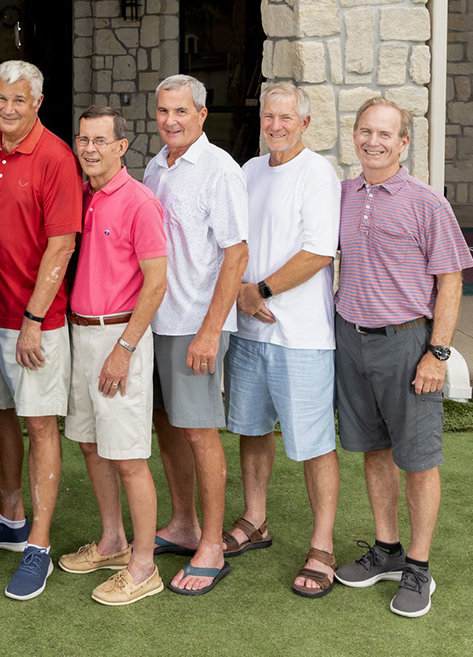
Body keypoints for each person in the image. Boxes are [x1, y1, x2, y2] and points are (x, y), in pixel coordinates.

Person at [332, 97, 472, 618]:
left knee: (417, 458)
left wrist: (436, 353)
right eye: (365, 131)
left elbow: (452, 278)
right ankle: (386, 551)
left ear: (403, 142)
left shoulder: (426, 203)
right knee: (372, 447)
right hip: (351, 338)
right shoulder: (344, 194)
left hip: (408, 342)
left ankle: (418, 567)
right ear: (355, 135)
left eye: (385, 134)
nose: (373, 141)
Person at [0, 60, 82, 601]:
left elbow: (61, 245)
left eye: (19, 100)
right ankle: (11, 516)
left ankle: (38, 544)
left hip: (35, 322)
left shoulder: (57, 157)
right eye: (1, 99)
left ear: (37, 101)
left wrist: (35, 320)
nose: (8, 109)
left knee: (40, 427)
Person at [225, 82, 342, 597]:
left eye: (286, 118)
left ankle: (322, 546)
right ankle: (255, 521)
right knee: (252, 430)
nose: (275, 125)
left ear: (305, 123)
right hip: (250, 331)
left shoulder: (318, 173)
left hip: (302, 336)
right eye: (269, 116)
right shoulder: (249, 171)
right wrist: (242, 298)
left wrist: (260, 291)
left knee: (314, 444)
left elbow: (320, 251)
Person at [142, 74, 249, 595]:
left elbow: (237, 253)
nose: (170, 121)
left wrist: (211, 330)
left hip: (194, 326)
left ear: (202, 115)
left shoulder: (219, 169)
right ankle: (182, 523)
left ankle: (211, 544)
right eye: (163, 111)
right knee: (167, 425)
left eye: (181, 111)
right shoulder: (155, 167)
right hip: (156, 322)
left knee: (200, 431)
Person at [60, 106, 166, 606]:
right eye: (83, 139)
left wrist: (124, 349)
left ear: (122, 147)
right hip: (81, 335)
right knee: (89, 444)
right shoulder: (82, 196)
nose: (90, 149)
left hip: (119, 338)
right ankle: (113, 543)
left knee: (127, 458)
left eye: (101, 140)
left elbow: (157, 282)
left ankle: (144, 567)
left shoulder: (140, 202)